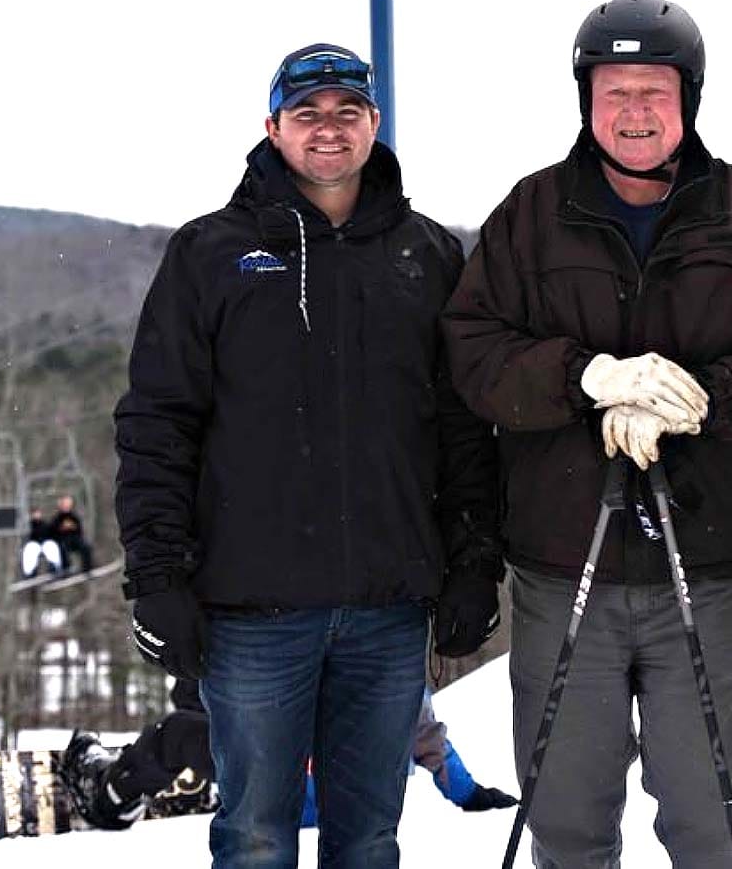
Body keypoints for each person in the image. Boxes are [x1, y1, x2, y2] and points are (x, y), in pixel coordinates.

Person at [442, 0, 732, 867]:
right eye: (614, 92)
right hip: (562, 563)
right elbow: (472, 351)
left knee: (713, 817)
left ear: (688, 98)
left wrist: (704, 395)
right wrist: (583, 377)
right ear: (585, 100)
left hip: (714, 565)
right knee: (568, 816)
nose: (634, 113)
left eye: (653, 92)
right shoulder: (531, 216)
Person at [113, 43, 501, 868]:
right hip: (252, 614)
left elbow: (464, 429)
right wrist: (157, 577)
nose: (329, 130)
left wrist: (473, 562)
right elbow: (157, 423)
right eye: (308, 114)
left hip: (388, 610)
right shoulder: (211, 253)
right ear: (273, 128)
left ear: (374, 124)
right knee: (254, 838)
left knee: (368, 841)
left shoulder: (428, 256)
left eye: (346, 112)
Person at [62, 684, 517, 831]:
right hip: (346, 804)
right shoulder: (390, 664)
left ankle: (113, 794)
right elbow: (432, 743)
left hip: (282, 787)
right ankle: (183, 769)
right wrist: (469, 793)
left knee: (179, 728)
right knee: (196, 698)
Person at [51, 494, 93, 572]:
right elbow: (53, 532)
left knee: (86, 546)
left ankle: (87, 569)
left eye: (68, 504)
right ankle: (66, 569)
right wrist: (62, 529)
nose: (67, 506)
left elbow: (80, 530)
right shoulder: (57, 518)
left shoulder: (74, 517)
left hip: (75, 539)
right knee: (61, 548)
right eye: (65, 504)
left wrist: (73, 528)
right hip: (62, 540)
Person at [20, 507, 62, 577]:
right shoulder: (29, 525)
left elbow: (51, 534)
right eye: (35, 514)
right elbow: (26, 537)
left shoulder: (45, 524)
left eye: (38, 513)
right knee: (30, 549)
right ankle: (30, 572)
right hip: (34, 543)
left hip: (45, 543)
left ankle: (54, 566)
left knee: (51, 546)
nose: (36, 515)